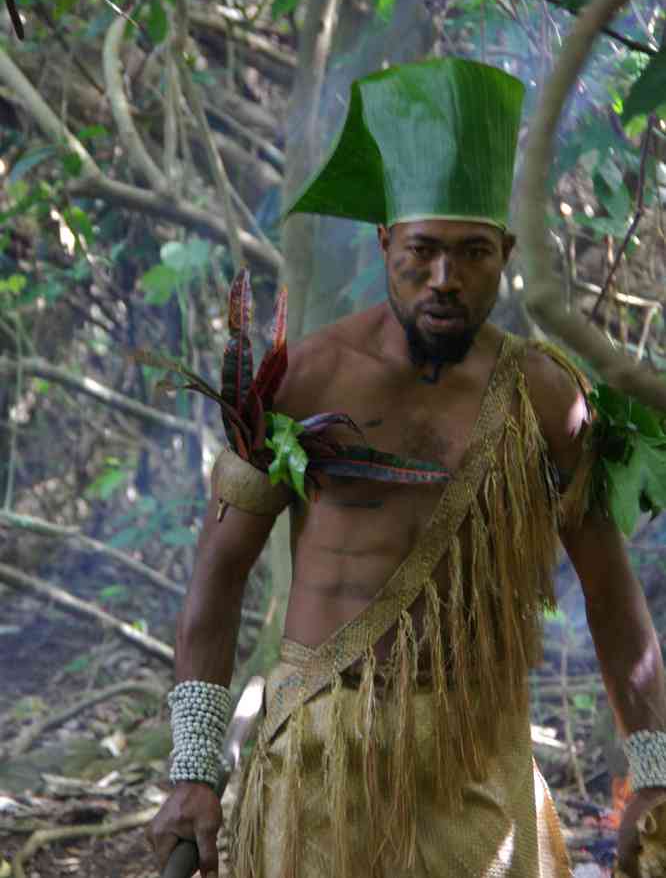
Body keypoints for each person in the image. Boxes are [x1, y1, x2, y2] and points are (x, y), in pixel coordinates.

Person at [148, 58, 666, 878]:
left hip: (477, 767)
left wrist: (656, 770)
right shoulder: (302, 378)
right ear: (386, 241)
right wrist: (192, 771)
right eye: (422, 251)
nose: (445, 280)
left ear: (507, 250)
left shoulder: (546, 395)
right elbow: (218, 579)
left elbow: (610, 594)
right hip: (321, 762)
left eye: (471, 255)